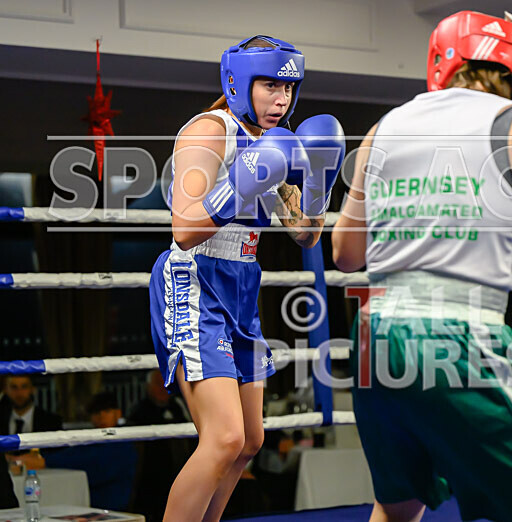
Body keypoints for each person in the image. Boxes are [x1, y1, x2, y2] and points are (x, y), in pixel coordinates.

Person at [332, 10, 512, 522]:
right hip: (460, 333)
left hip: (374, 336)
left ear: (441, 60)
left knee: (397, 505)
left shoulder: (384, 127)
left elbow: (345, 253)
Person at [149, 35, 344, 520]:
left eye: (289, 89)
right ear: (237, 83)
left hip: (242, 281)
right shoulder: (207, 132)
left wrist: (319, 186)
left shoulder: (274, 142)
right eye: (270, 86)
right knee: (224, 437)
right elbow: (185, 226)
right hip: (194, 277)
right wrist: (239, 186)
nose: (282, 99)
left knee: (250, 440)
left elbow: (304, 236)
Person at [44, 392, 138, 512]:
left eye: (107, 411)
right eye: (96, 413)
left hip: (110, 508)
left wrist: (45, 461)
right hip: (86, 506)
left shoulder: (123, 443)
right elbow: (73, 454)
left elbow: (94, 465)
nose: (101, 416)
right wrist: (43, 459)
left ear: (118, 413)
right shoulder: (92, 441)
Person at [126, 370, 192, 520]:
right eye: (158, 384)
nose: (163, 388)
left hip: (179, 470)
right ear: (148, 387)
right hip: (150, 475)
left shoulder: (178, 407)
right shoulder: (140, 411)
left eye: (165, 384)